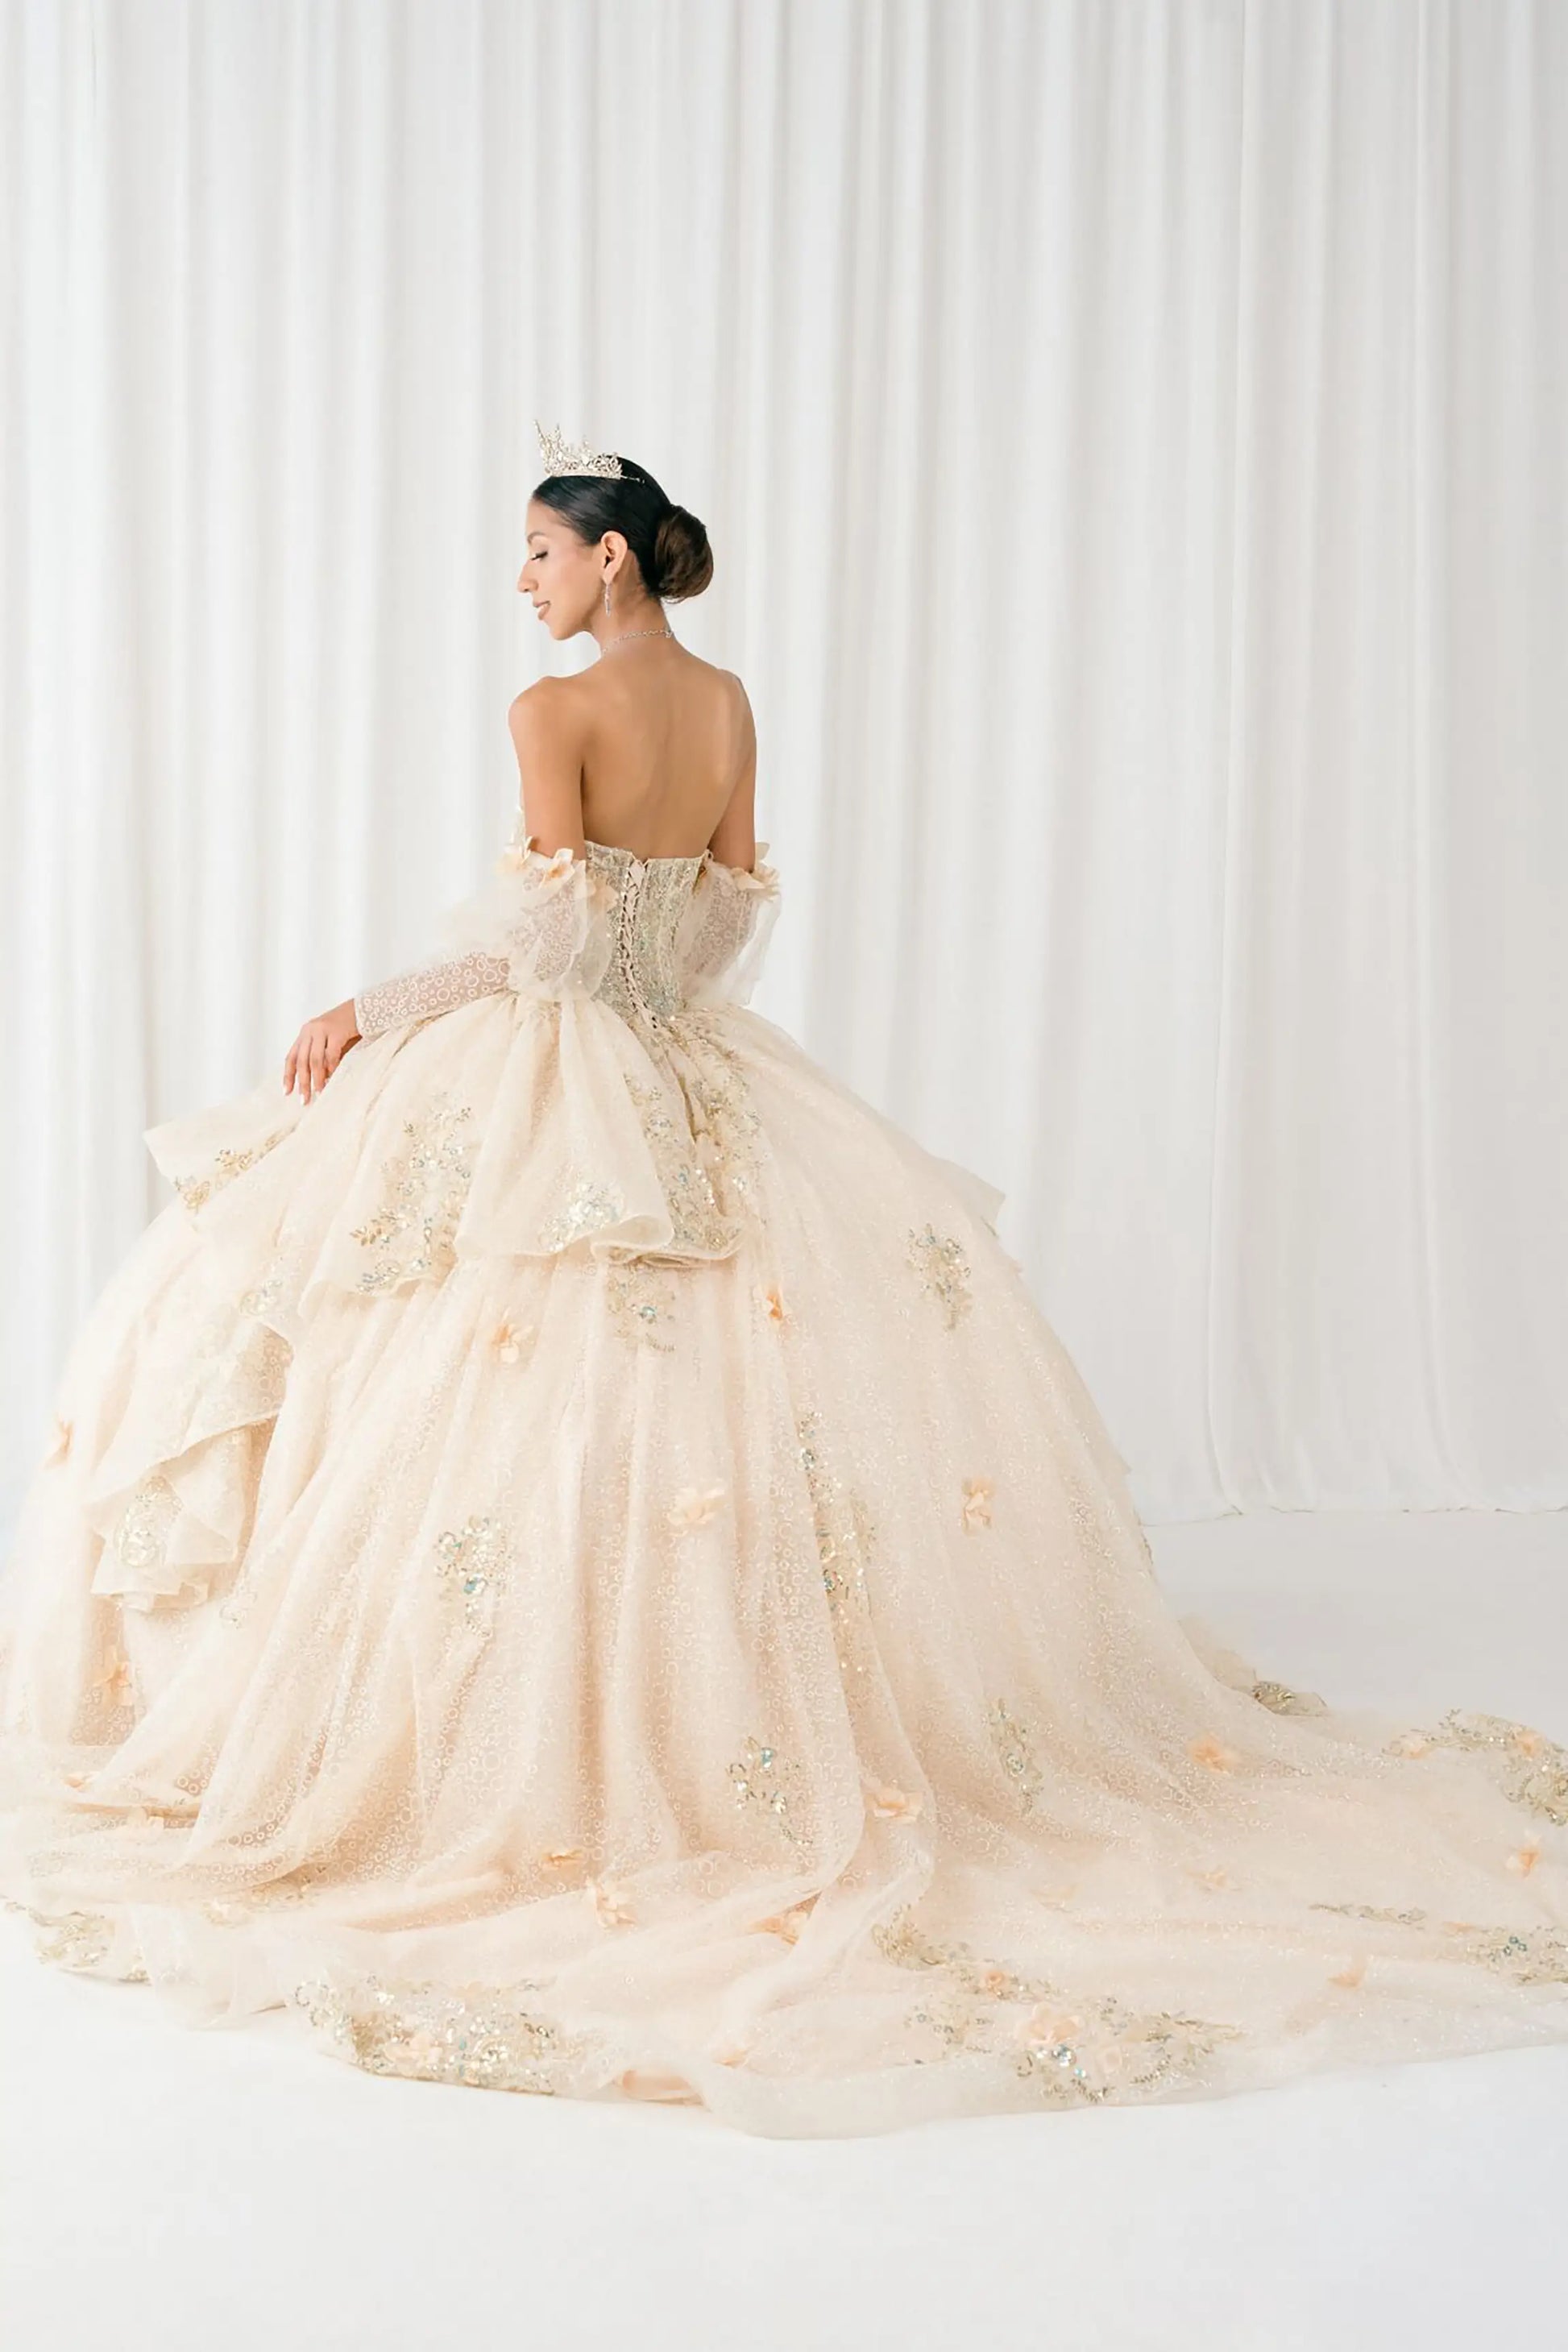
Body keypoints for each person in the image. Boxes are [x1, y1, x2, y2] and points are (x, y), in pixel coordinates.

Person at [2, 426, 1566, 2142]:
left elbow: (546, 945)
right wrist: (627, 986)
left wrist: (373, 1006)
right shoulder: (729, 704)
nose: (520, 579)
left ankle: (548, 1733)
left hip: (559, 1070)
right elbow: (718, 919)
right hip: (693, 1058)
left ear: (611, 556)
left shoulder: (550, 717)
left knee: (422, 1353)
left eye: (537, 550)